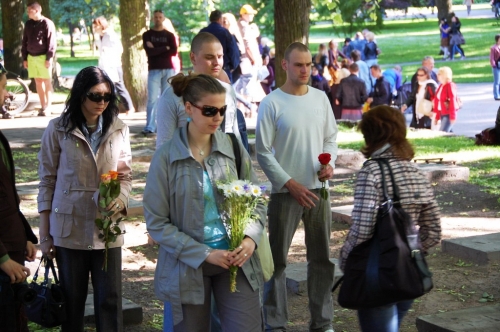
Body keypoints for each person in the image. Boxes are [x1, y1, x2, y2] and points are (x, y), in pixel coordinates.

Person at [144, 73, 266, 332]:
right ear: (188, 108)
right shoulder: (166, 157)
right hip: (187, 266)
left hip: (236, 262)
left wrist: (250, 239)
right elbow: (156, 223)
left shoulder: (232, 146)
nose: (217, 118)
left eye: (222, 110)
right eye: (210, 110)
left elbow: (257, 201)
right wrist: (205, 254)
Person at [37, 66, 132, 332]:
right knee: (72, 302)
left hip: (107, 228)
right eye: (95, 96)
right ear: (80, 94)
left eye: (107, 97)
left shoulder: (119, 128)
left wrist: (121, 198)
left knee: (110, 302)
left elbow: (125, 176)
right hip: (69, 228)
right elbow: (47, 181)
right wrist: (45, 236)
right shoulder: (57, 129)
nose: (102, 102)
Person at [257, 42, 338, 332]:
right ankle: (275, 323)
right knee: (277, 261)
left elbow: (331, 139)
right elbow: (263, 151)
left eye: (309, 65)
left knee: (321, 259)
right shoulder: (272, 103)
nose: (305, 70)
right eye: (299, 64)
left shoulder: (320, 98)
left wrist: (330, 164)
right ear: (285, 65)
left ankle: (323, 322)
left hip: (319, 190)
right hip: (285, 193)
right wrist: (289, 183)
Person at [340, 105, 441, 332]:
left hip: (377, 274)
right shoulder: (417, 173)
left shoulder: (372, 171)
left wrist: (346, 261)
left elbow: (363, 229)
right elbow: (433, 231)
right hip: (409, 275)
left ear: (370, 134)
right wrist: (409, 253)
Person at [0, 64, 38, 332]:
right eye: (2, 87)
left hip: (12, 247)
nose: (6, 95)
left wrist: (24, 234)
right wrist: (2, 258)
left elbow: (6, 195)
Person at [156, 32, 241, 149]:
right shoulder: (173, 94)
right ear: (193, 57)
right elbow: (164, 146)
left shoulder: (227, 91)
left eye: (220, 56)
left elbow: (234, 135)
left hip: (223, 163)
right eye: (209, 57)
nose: (216, 62)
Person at [141, 9, 178, 136]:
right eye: (155, 17)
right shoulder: (147, 35)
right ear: (153, 19)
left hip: (168, 69)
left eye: (160, 17)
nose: (157, 19)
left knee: (167, 98)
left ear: (163, 18)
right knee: (152, 99)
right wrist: (165, 48)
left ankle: (167, 124)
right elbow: (149, 52)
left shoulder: (169, 35)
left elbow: (173, 52)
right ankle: (150, 126)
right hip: (153, 70)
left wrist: (157, 49)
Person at [93, 16, 134, 115]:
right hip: (104, 66)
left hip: (114, 66)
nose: (94, 28)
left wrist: (109, 53)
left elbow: (119, 49)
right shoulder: (99, 36)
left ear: (101, 25)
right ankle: (109, 109)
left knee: (119, 87)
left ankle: (129, 107)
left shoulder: (110, 35)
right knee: (107, 88)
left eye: (96, 25)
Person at [21, 2, 56, 116]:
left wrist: (49, 58)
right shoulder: (28, 24)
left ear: (36, 10)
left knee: (47, 82)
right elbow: (24, 41)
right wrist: (25, 57)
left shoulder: (47, 23)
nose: (27, 13)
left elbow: (52, 42)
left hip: (43, 57)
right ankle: (43, 106)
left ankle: (49, 107)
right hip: (31, 57)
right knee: (38, 82)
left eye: (29, 11)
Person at [200, 10, 241, 83]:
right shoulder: (225, 32)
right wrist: (233, 66)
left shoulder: (202, 32)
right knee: (226, 92)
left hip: (206, 69)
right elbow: (233, 51)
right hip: (223, 68)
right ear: (219, 19)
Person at [234, 4, 262, 111]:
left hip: (245, 60)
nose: (252, 16)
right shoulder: (243, 26)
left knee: (243, 86)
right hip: (247, 60)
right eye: (250, 14)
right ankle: (246, 110)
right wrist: (253, 59)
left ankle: (244, 110)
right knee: (246, 86)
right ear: (244, 14)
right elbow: (247, 45)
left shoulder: (242, 25)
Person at [404, 56, 437, 128]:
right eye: (430, 64)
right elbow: (413, 95)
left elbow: (435, 97)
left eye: (433, 64)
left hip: (429, 111)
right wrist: (406, 105)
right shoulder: (416, 79)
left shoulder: (433, 76)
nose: (433, 66)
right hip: (418, 110)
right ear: (424, 64)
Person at [433, 66, 458, 132]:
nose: (437, 75)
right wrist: (437, 117)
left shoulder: (450, 85)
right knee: (448, 133)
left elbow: (452, 100)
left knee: (443, 133)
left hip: (448, 114)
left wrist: (453, 116)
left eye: (439, 74)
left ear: (445, 75)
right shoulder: (441, 86)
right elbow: (438, 102)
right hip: (442, 113)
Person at [490, 34, 500, 100]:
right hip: (497, 66)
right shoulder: (493, 48)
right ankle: (496, 95)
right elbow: (492, 58)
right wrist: (494, 65)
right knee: (497, 81)